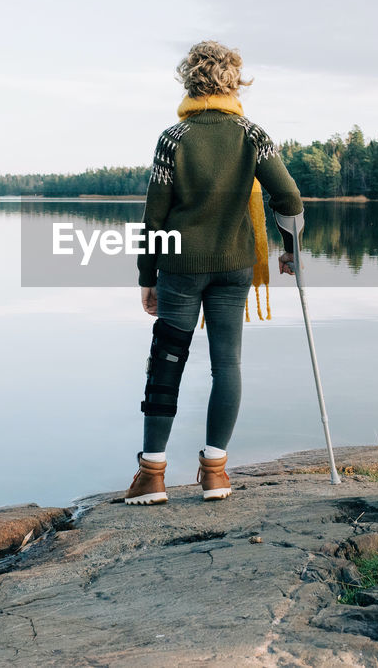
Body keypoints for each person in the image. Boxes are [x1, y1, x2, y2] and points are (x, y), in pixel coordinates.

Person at [124, 40, 303, 505]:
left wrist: (147, 276)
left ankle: (152, 476)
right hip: (234, 267)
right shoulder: (252, 134)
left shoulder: (174, 139)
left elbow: (154, 219)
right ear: (233, 80)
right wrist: (289, 251)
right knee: (228, 365)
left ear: (191, 80)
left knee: (167, 361)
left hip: (179, 267)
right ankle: (216, 474)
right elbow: (290, 199)